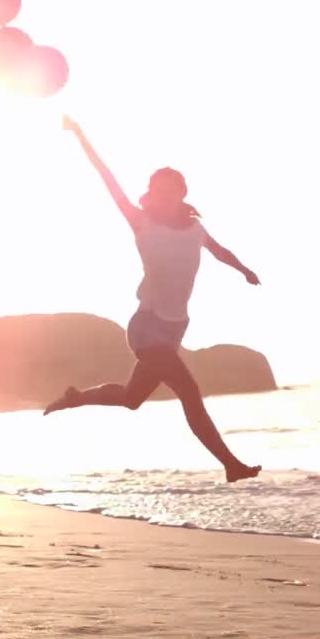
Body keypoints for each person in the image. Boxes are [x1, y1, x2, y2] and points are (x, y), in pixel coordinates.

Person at [43, 115, 262, 484]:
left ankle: (75, 397)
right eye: (156, 189)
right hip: (146, 328)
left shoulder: (195, 228)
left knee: (131, 399)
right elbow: (107, 178)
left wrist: (243, 270)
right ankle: (231, 464)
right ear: (150, 192)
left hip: (175, 327)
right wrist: (80, 135)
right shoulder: (140, 221)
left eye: (170, 189)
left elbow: (219, 250)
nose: (163, 194)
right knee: (190, 394)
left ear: (182, 193)